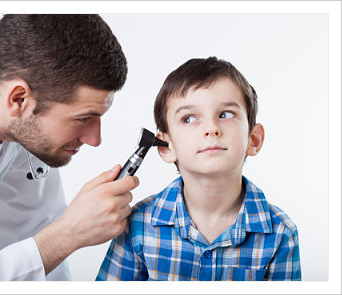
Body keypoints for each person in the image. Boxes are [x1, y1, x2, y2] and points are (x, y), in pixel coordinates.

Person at [0, 14, 139, 281]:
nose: (94, 139)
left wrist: (61, 235)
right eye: (83, 118)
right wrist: (70, 233)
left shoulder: (27, 76)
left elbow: (34, 232)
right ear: (18, 99)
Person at [96, 57, 301, 281]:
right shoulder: (138, 226)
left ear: (253, 139)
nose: (211, 128)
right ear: (166, 147)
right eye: (189, 118)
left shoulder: (281, 233)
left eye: (225, 114)